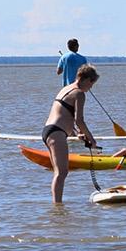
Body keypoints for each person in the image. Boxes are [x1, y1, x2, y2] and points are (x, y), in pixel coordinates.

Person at [42, 65, 99, 203]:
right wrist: (92, 139)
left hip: (48, 131)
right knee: (61, 173)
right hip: (56, 133)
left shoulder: (65, 89)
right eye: (91, 84)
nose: (90, 88)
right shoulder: (79, 93)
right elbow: (80, 120)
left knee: (58, 173)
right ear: (85, 79)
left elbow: (65, 115)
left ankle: (57, 206)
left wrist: (76, 134)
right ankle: (57, 206)